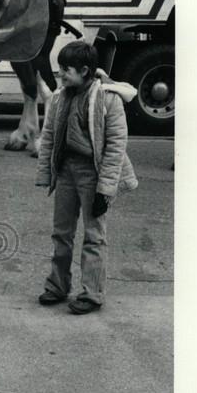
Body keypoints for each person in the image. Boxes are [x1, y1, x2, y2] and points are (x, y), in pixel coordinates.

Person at [35, 40, 139, 314]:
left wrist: (105, 191)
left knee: (94, 236)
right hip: (67, 172)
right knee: (61, 233)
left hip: (93, 174)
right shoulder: (60, 97)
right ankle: (58, 286)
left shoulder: (109, 99)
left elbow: (116, 146)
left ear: (84, 70)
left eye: (65, 70)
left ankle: (92, 294)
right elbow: (48, 136)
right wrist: (46, 172)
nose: (60, 75)